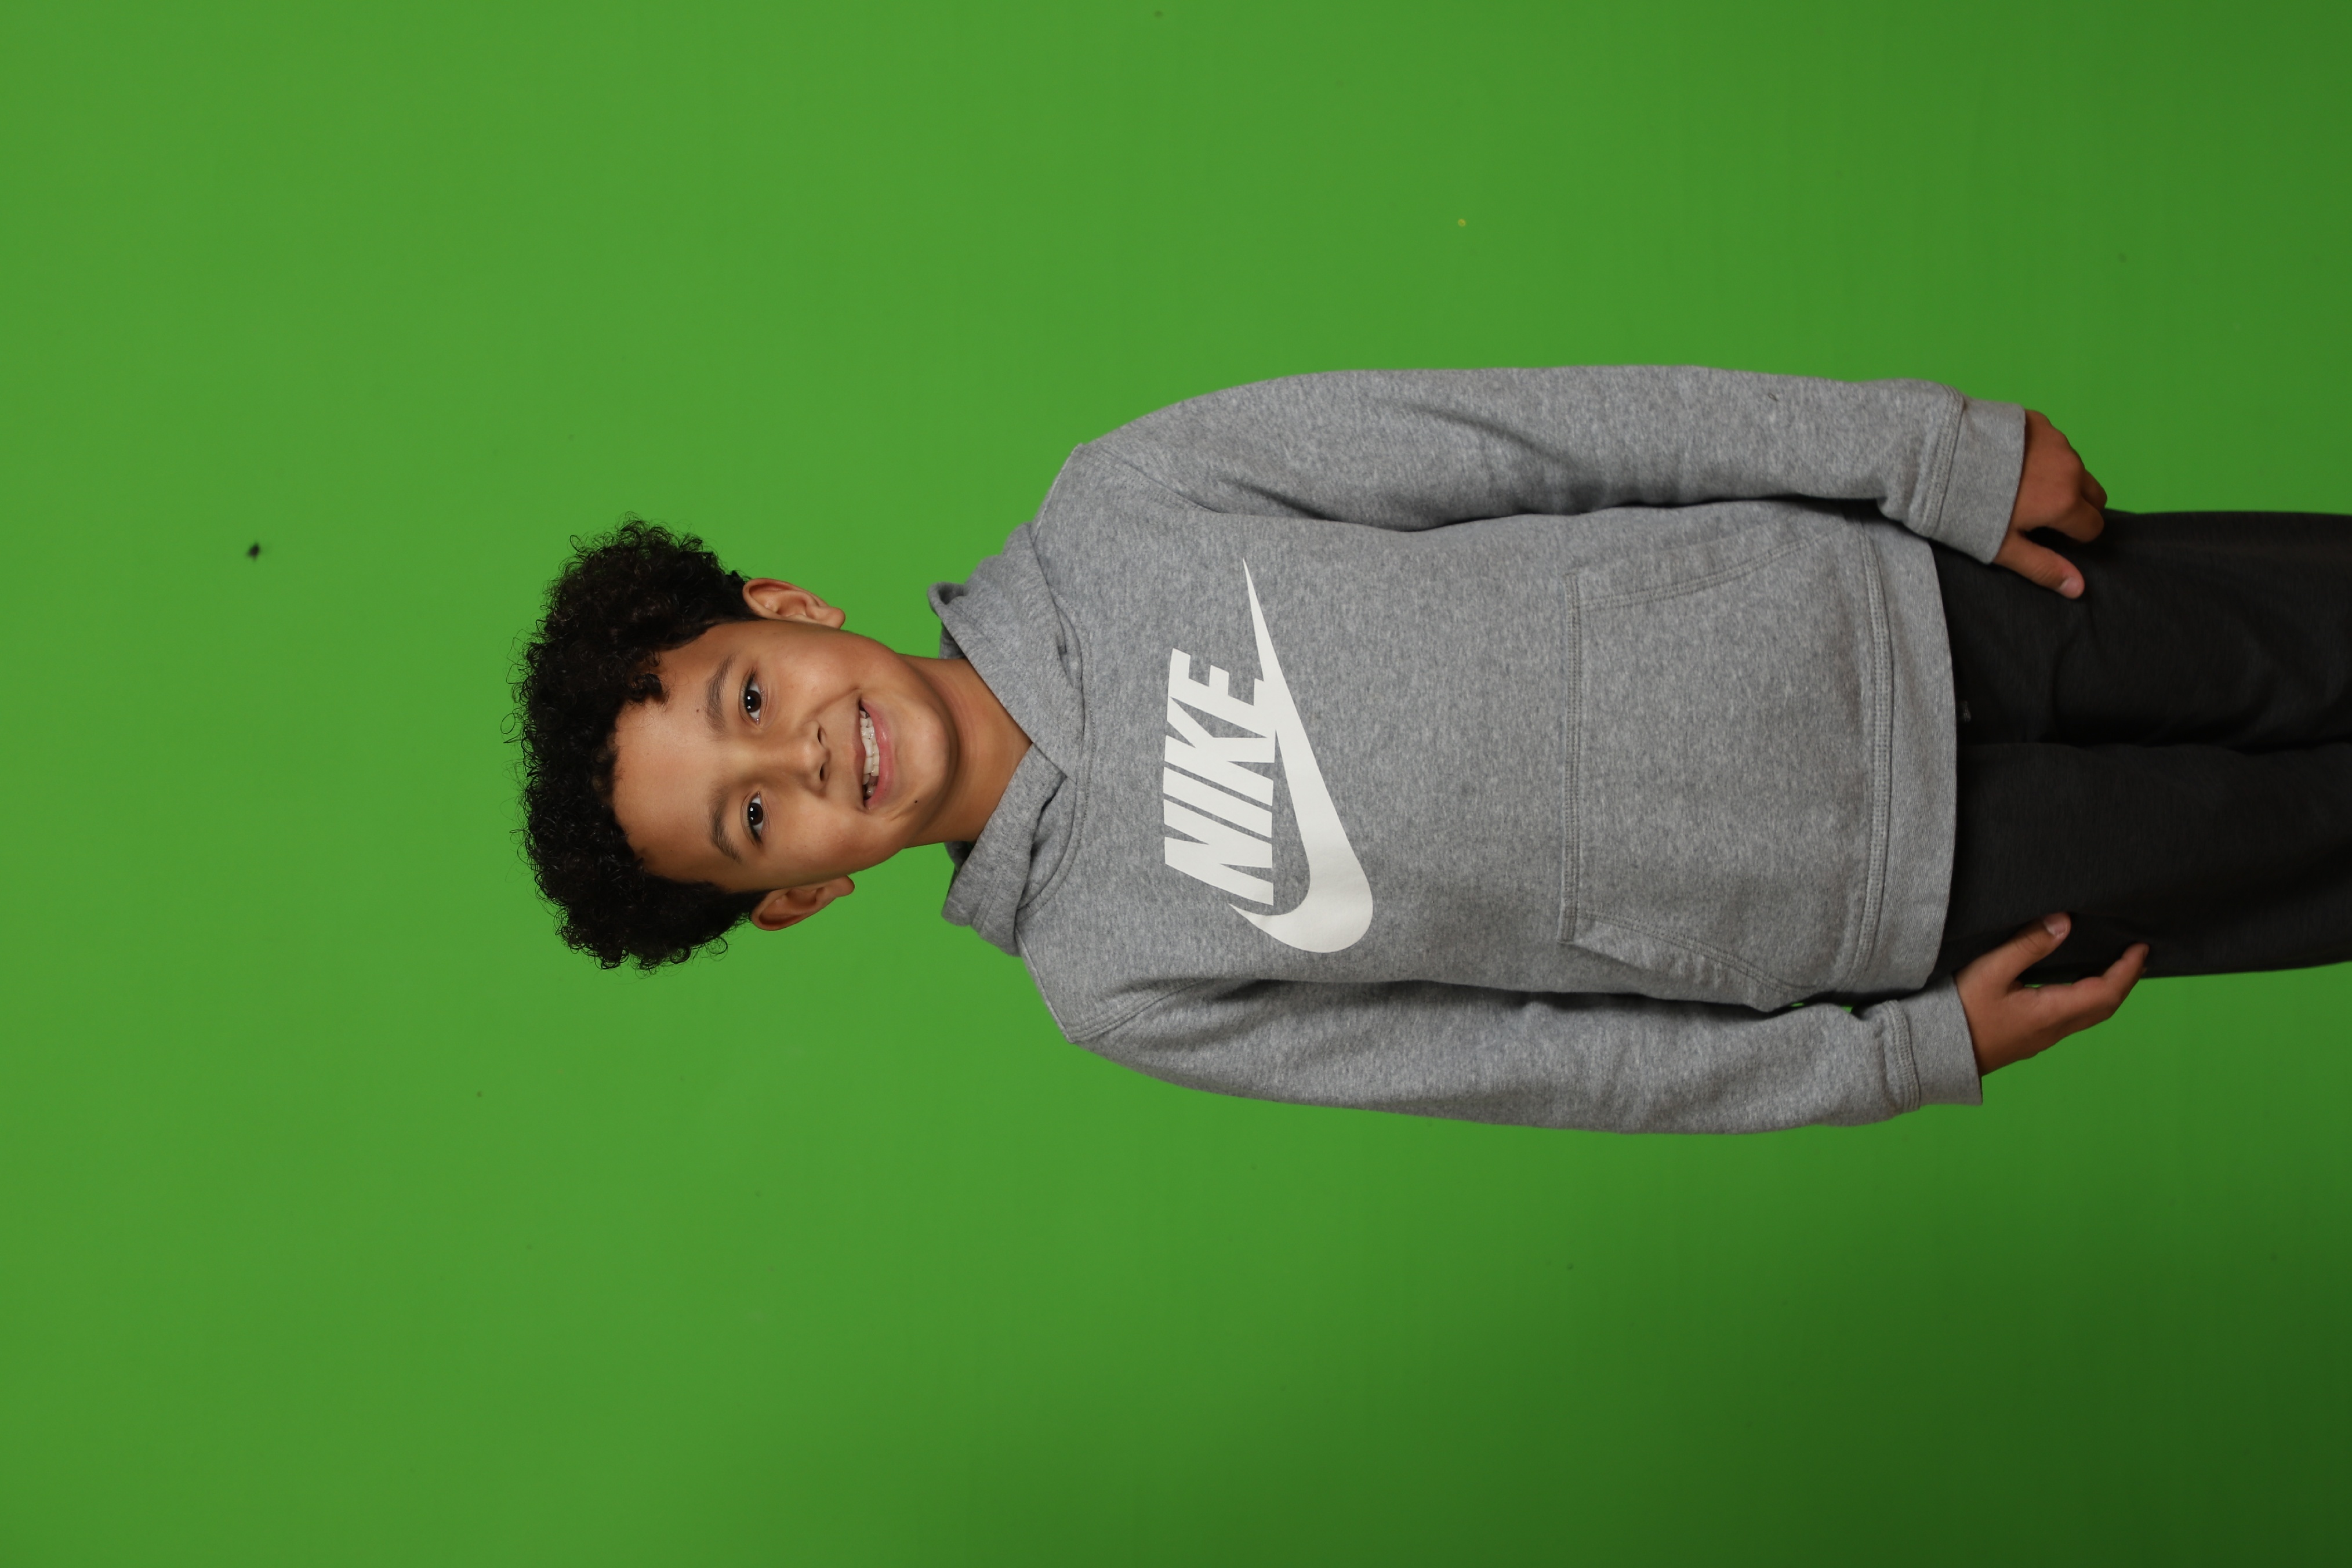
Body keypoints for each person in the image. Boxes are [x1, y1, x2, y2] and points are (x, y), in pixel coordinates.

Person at [513, 367, 2352, 1132]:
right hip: (1889, 899)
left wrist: (1922, 453)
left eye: (742, 699)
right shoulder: (1111, 984)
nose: (797, 762)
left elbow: (1533, 433)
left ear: (786, 610)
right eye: (748, 825)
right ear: (799, 896)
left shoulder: (1125, 504)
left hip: (1886, 600)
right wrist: (1888, 1058)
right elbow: (1526, 1065)